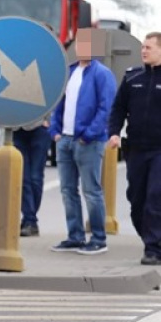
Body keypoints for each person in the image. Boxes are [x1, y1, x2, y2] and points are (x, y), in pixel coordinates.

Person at [49, 28, 117, 255]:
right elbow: (59, 102)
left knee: (91, 191)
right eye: (80, 43)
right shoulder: (69, 71)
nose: (83, 48)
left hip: (89, 141)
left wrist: (88, 135)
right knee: (68, 191)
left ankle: (98, 238)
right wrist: (55, 131)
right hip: (65, 140)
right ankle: (75, 236)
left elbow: (106, 108)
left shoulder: (102, 74)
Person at [108, 31, 161, 264]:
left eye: (149, 47)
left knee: (154, 197)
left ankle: (153, 248)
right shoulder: (132, 77)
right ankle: (150, 240)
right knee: (136, 199)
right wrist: (114, 133)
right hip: (136, 149)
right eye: (143, 47)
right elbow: (118, 108)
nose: (144, 50)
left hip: (159, 150)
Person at [14, 116, 51, 237]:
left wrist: (49, 120)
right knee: (23, 177)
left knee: (35, 177)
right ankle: (30, 220)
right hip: (16, 128)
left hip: (39, 127)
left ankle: (29, 220)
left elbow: (55, 98)